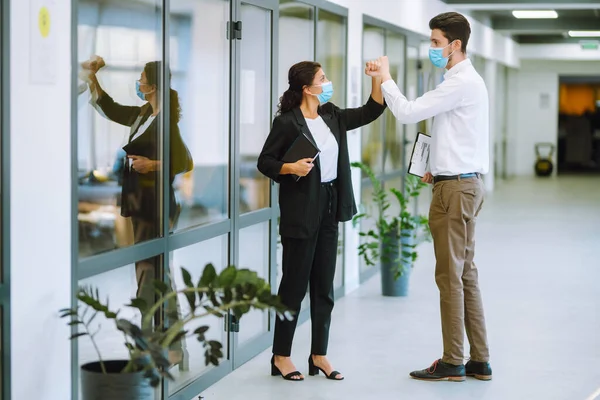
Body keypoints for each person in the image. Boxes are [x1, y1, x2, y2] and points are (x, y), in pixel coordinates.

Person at [365, 12, 492, 382]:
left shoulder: (460, 83)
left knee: (449, 277)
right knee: (466, 274)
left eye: (436, 42)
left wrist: (385, 79)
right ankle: (479, 360)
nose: (432, 48)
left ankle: (454, 359)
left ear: (455, 45)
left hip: (455, 192)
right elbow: (457, 135)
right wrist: (437, 164)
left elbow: (406, 113)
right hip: (460, 183)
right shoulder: (465, 82)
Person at [258, 61, 386, 381]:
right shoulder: (287, 123)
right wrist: (290, 169)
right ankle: (281, 356)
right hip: (300, 211)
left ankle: (319, 355)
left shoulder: (332, 114)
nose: (328, 83)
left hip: (330, 206)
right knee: (294, 286)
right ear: (306, 88)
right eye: (322, 78)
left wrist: (377, 79)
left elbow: (371, 110)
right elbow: (265, 162)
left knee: (323, 286)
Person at [82, 56, 193, 369]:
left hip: (155, 205)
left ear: (153, 86)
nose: (138, 83)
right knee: (155, 276)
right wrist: (93, 79)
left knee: (149, 276)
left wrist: (153, 165)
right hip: (140, 203)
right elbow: (112, 109)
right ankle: (170, 348)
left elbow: (184, 162)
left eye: (142, 79)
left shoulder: (166, 122)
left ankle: (156, 348)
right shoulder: (145, 113)